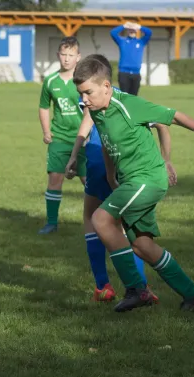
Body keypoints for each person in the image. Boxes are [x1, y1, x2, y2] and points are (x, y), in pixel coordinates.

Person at [73, 54, 194, 313]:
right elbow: (109, 146)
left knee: (101, 219)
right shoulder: (97, 109)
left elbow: (174, 116)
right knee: (142, 245)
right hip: (131, 182)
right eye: (81, 94)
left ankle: (137, 290)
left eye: (88, 92)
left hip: (148, 179)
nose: (84, 99)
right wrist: (111, 177)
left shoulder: (130, 105)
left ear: (106, 87)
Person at [66, 84, 177, 302]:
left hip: (101, 161)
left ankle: (104, 286)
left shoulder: (92, 97)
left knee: (92, 216)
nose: (84, 96)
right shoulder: (126, 99)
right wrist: (166, 160)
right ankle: (143, 286)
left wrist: (74, 155)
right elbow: (163, 124)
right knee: (126, 228)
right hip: (128, 165)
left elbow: (85, 125)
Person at [38, 36, 87, 235]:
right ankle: (51, 223)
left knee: (90, 183)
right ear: (58, 55)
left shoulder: (84, 80)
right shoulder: (50, 81)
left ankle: (101, 222)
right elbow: (43, 107)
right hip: (59, 139)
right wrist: (46, 131)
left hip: (83, 139)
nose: (66, 59)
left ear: (78, 57)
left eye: (71, 55)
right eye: (63, 54)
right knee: (55, 180)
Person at [110, 22, 152, 96]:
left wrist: (139, 27)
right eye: (130, 30)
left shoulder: (141, 42)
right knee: (124, 96)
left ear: (136, 31)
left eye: (133, 30)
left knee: (134, 97)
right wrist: (124, 26)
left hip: (136, 74)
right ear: (127, 31)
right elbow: (113, 33)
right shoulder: (122, 41)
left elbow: (149, 33)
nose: (132, 31)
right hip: (124, 73)